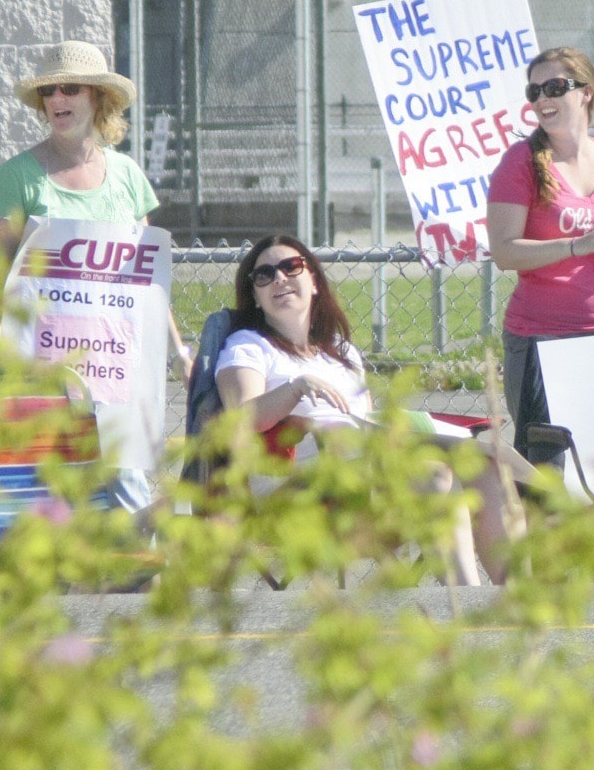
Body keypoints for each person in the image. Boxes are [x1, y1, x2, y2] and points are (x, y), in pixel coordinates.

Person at [214, 235, 527, 585]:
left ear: (314, 281)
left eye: (291, 267)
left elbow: (366, 422)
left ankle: (513, 600)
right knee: (432, 474)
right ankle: (464, 604)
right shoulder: (247, 347)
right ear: (254, 294)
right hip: (300, 495)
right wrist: (294, 389)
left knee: (487, 466)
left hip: (363, 482)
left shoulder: (340, 352)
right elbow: (239, 421)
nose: (279, 279)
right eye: (264, 275)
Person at [0, 39, 193, 512]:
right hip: (41, 361)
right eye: (49, 91)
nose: (57, 100)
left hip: (116, 358)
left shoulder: (128, 176)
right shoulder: (17, 176)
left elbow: (146, 284)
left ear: (98, 98)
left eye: (70, 89)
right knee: (48, 484)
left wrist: (178, 351)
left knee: (127, 486)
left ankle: (133, 577)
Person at [487, 46, 594, 470]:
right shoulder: (519, 163)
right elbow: (505, 252)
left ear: (586, 92)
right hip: (544, 341)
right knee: (548, 478)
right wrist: (576, 244)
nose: (543, 98)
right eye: (535, 90)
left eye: (555, 87)